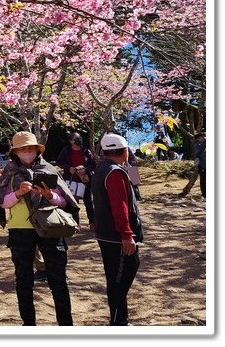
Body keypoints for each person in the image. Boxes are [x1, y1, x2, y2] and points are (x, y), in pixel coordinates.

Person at [0, 131, 79, 326]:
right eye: (23, 149)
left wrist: (49, 195)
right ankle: (29, 325)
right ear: (15, 152)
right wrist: (18, 193)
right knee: (23, 281)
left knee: (58, 279)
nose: (27, 152)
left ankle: (66, 325)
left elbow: (64, 201)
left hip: (50, 228)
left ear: (37, 150)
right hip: (20, 231)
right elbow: (2, 203)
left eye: (31, 148)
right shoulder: (10, 172)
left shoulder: (48, 169)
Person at [92, 132, 143, 326]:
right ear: (125, 151)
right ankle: (117, 323)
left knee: (115, 276)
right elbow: (120, 206)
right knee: (120, 279)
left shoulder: (101, 169)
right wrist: (127, 235)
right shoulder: (114, 172)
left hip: (106, 234)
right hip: (117, 237)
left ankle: (122, 319)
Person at [55, 131, 97, 230]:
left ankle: (92, 223)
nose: (79, 140)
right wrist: (69, 168)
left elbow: (93, 164)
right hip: (71, 180)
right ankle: (75, 223)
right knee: (73, 202)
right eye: (76, 138)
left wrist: (85, 169)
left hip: (85, 180)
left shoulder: (85, 150)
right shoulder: (66, 150)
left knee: (89, 201)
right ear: (71, 141)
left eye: (80, 138)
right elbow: (59, 162)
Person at [194, 132, 206, 198]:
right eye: (202, 137)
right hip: (202, 165)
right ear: (198, 139)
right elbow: (201, 148)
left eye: (204, 136)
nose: (204, 138)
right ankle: (204, 195)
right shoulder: (197, 145)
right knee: (203, 180)